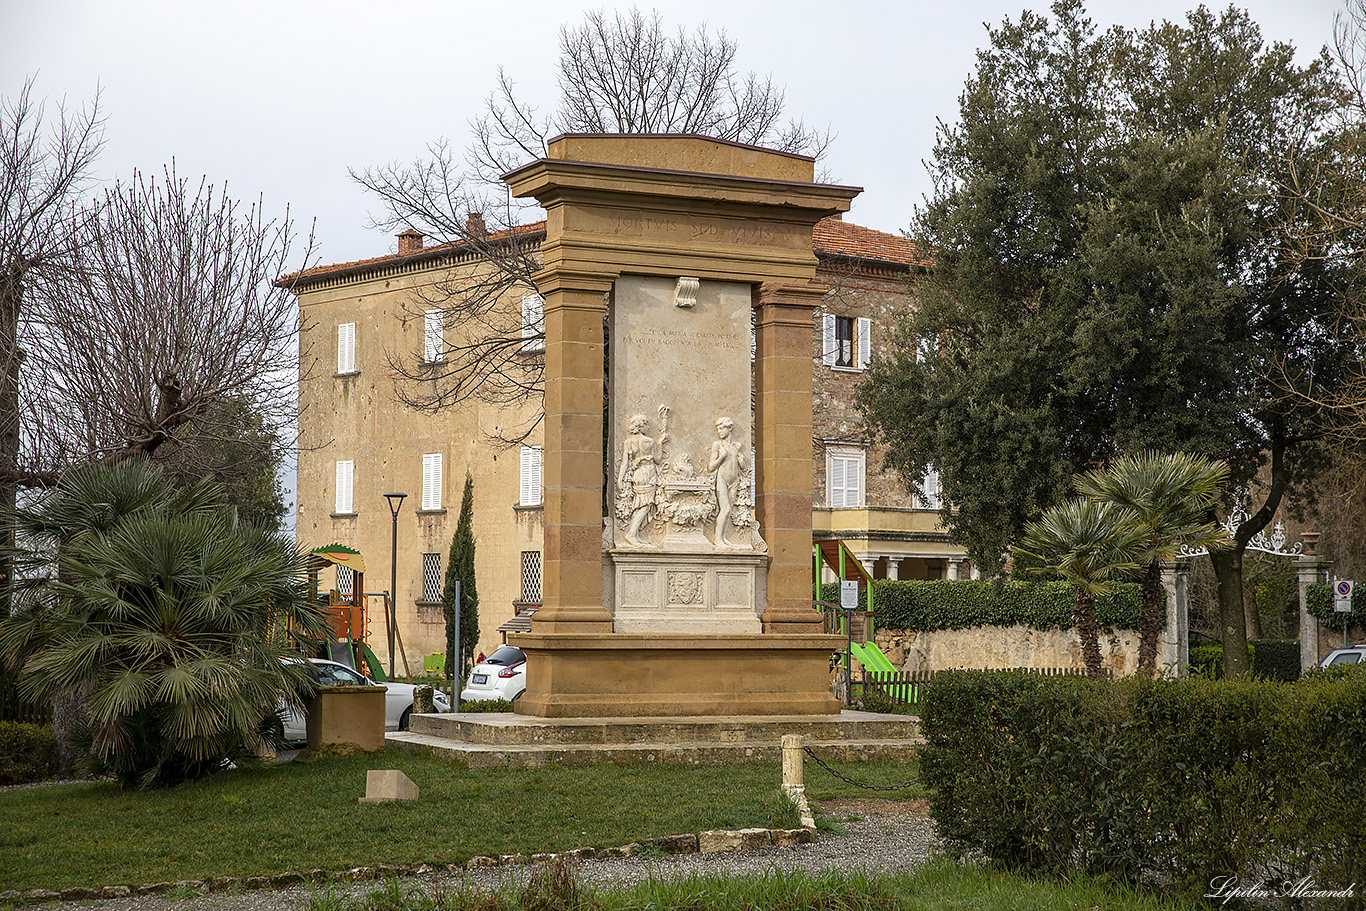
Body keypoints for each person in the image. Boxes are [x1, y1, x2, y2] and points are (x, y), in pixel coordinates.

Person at [618, 413, 667, 545]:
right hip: (648, 473)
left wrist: (620, 480)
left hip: (637, 474)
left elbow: (625, 463)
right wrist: (661, 443)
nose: (647, 427)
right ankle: (632, 534)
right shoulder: (649, 442)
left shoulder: (628, 442)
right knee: (646, 505)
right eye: (646, 424)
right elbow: (657, 459)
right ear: (640, 426)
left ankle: (634, 534)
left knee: (640, 504)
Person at [708, 416, 746, 548]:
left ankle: (723, 537)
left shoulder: (737, 446)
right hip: (722, 480)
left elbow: (741, 467)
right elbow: (711, 467)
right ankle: (718, 539)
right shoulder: (718, 445)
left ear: (729, 428)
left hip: (734, 481)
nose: (719, 432)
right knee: (725, 508)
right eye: (717, 429)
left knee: (728, 511)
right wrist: (721, 457)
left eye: (721, 429)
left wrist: (741, 463)